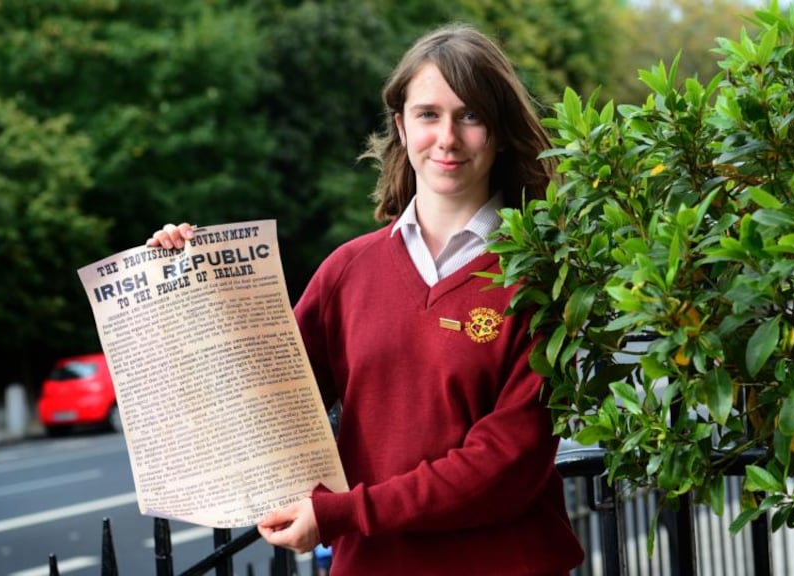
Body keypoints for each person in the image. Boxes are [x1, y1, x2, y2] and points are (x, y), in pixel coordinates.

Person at [148, 22, 585, 576]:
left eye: (470, 115)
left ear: (497, 131)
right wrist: (186, 286)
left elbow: (504, 467)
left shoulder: (542, 280)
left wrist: (343, 511)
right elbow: (262, 406)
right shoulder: (346, 272)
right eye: (428, 114)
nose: (447, 137)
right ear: (401, 127)